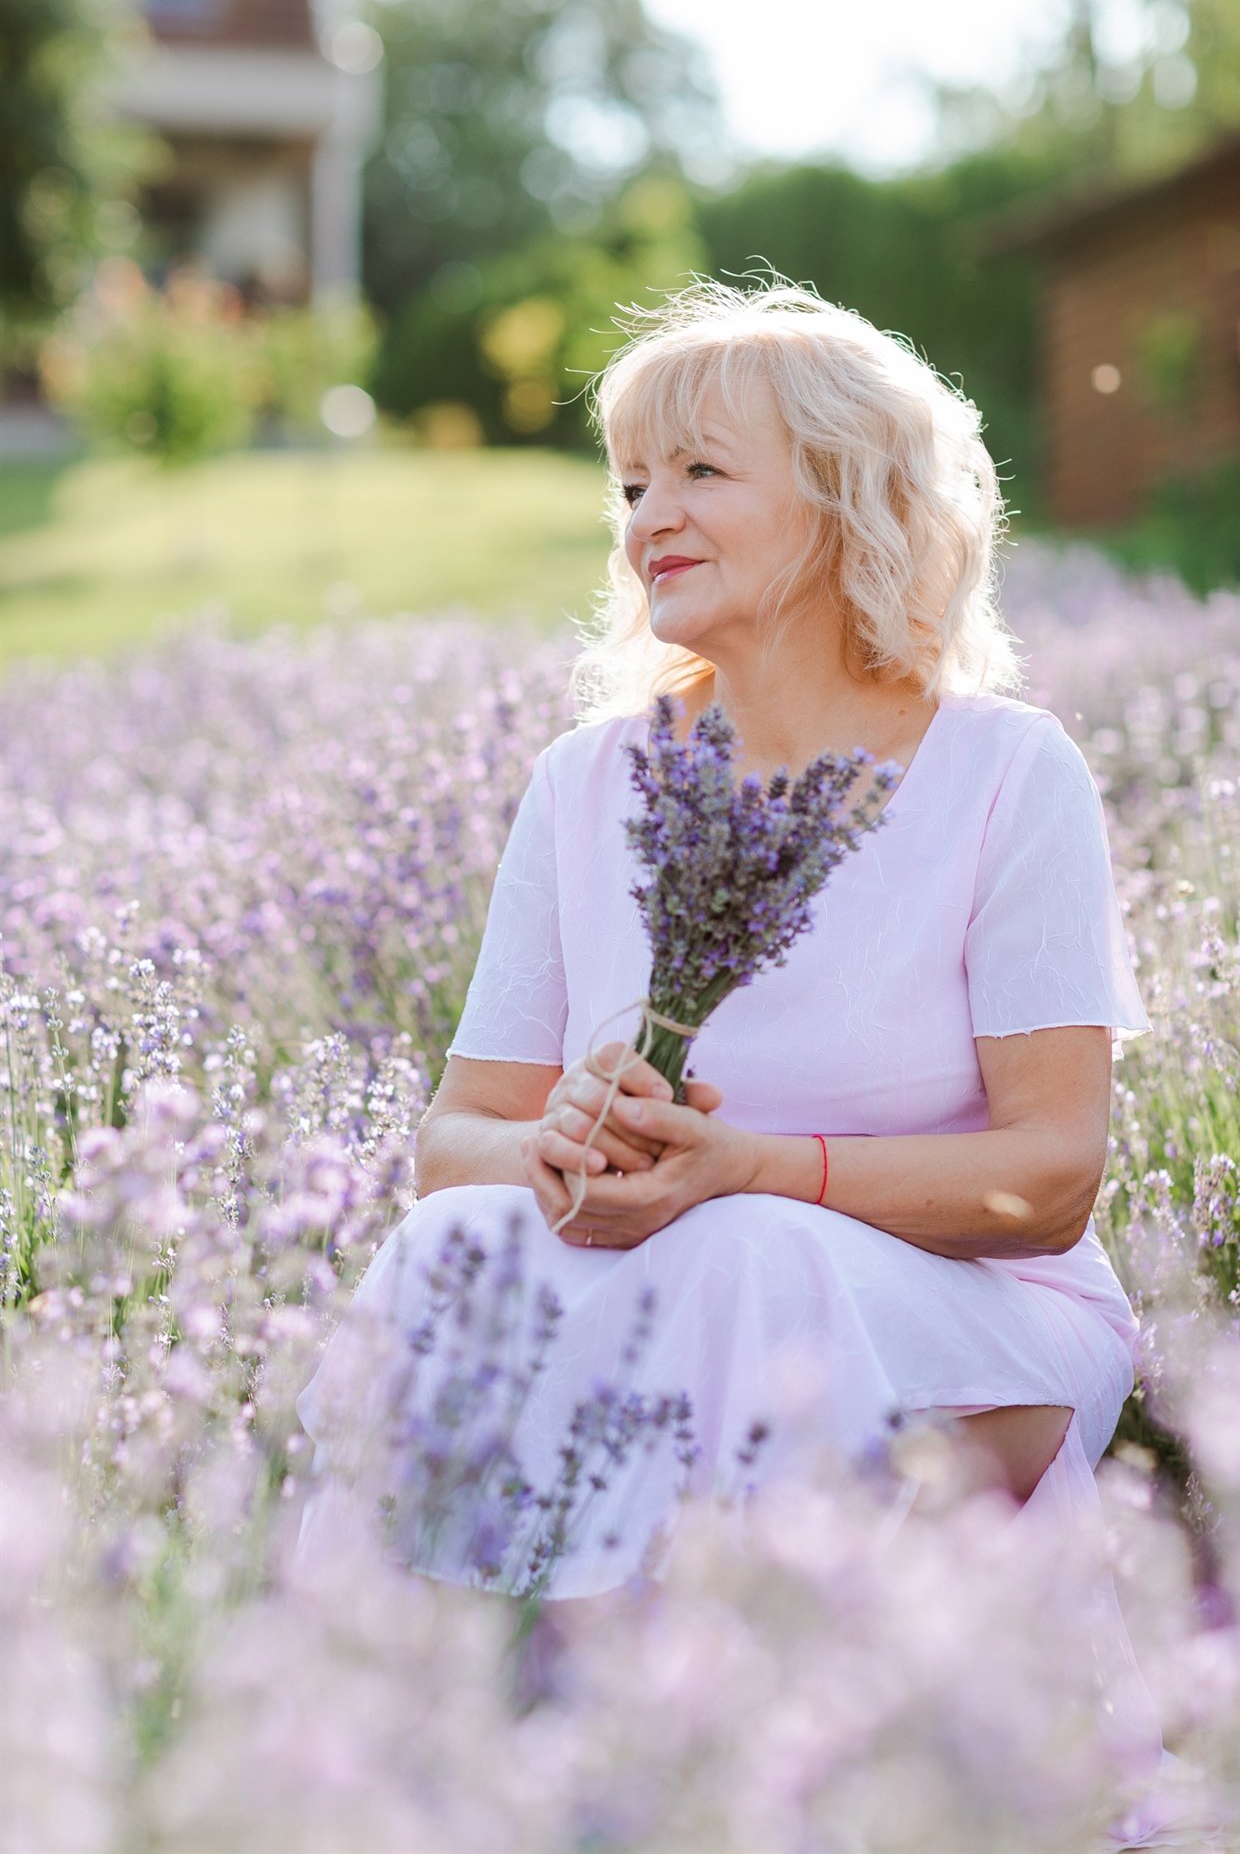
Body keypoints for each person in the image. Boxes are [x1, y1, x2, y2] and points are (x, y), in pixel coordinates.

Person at [298, 279, 1146, 1613]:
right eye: (633, 484)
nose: (650, 520)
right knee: (456, 1247)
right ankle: (394, 1713)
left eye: (699, 471)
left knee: (749, 1249)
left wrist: (748, 1171)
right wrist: (562, 1148)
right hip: (668, 1287)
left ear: (845, 498)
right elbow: (454, 1147)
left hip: (984, 1333)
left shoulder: (1004, 770)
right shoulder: (586, 784)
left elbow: (1046, 1184)